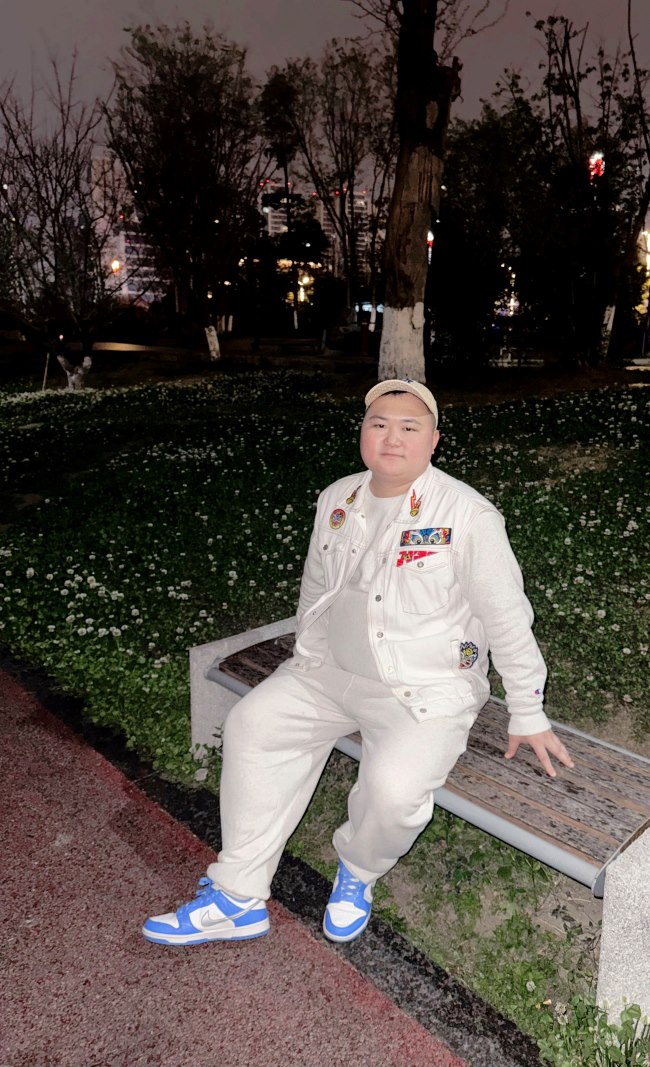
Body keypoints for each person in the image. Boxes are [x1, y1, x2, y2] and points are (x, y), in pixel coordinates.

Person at [143, 378, 573, 946]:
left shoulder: (467, 515)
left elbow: (507, 616)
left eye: (409, 427)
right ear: (363, 433)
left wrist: (528, 709)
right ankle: (237, 895)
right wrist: (307, 655)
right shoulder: (338, 498)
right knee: (253, 725)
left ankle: (358, 870)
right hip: (327, 674)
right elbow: (315, 587)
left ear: (433, 441)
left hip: (422, 687)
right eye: (379, 424)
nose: (392, 438)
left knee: (393, 792)